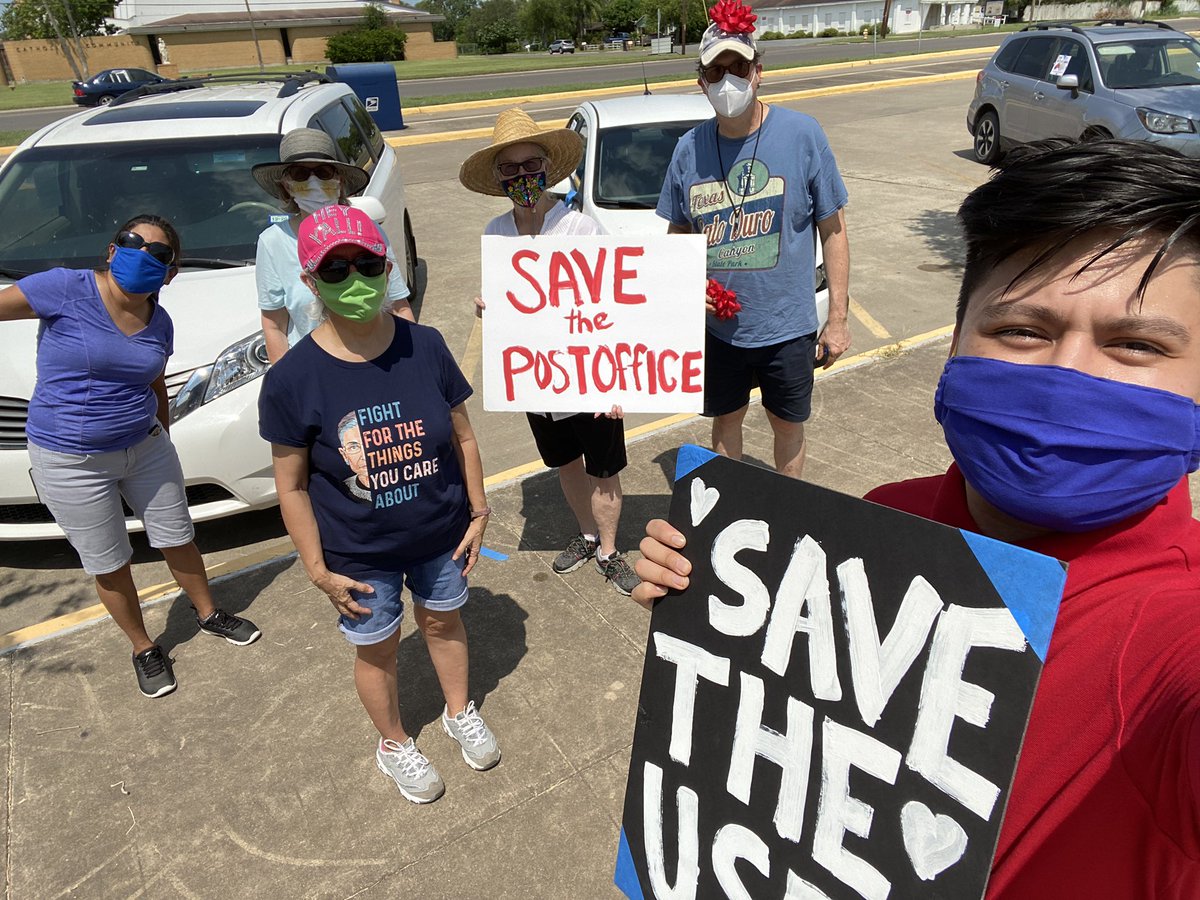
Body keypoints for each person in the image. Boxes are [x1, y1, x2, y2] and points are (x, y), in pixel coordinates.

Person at [632, 138, 1200, 897]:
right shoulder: (885, 518)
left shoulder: (1178, 640)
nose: (1066, 377)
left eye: (1135, 345)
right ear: (956, 343)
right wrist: (712, 616)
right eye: (1022, 330)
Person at [258, 204, 500, 805]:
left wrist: (478, 510)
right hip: (359, 555)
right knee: (378, 649)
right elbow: (291, 487)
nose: (354, 278)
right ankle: (394, 744)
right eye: (334, 269)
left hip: (440, 535)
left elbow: (464, 437)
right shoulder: (292, 379)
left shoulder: (426, 345)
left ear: (387, 269)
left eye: (366, 264)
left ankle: (458, 711)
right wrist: (317, 570)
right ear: (310, 281)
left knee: (444, 621)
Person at [0, 216, 261, 699]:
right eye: (132, 242)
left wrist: (162, 435)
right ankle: (143, 647)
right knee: (109, 560)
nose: (143, 254)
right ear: (111, 249)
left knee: (178, 536)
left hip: (145, 448)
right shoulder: (64, 289)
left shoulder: (160, 322)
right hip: (70, 461)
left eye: (158, 253)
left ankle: (208, 613)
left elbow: (155, 382)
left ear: (170, 273)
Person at [658, 0, 851, 479]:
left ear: (758, 73)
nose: (728, 80)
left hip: (787, 326)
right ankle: (731, 505)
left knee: (787, 425)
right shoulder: (688, 150)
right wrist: (683, 290)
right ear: (701, 82)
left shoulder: (803, 135)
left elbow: (833, 231)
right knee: (726, 422)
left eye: (738, 67)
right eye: (715, 71)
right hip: (719, 331)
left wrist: (838, 319)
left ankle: (787, 508)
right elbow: (676, 235)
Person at [459, 107, 641, 596]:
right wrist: (487, 308)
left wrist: (616, 381)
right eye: (510, 168)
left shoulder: (581, 229)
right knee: (565, 463)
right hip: (537, 378)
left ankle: (609, 550)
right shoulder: (496, 233)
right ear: (499, 177)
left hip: (589, 374)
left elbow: (613, 305)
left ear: (547, 168)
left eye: (531, 165)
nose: (522, 176)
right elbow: (506, 306)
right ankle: (586, 535)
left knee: (604, 469)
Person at [251, 128, 414, 363]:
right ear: (286, 185)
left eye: (323, 172)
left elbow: (399, 307)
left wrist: (413, 363)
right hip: (313, 370)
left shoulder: (368, 231)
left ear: (339, 180)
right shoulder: (272, 242)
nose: (314, 182)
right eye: (300, 174)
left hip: (378, 363)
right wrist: (284, 377)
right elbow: (274, 325)